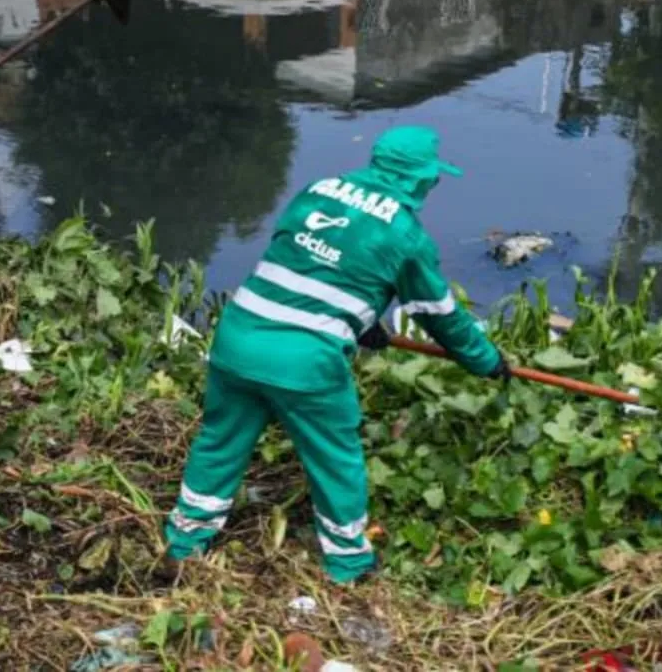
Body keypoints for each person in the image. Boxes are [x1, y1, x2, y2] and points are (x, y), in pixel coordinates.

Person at [162, 125, 510, 584]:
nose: (433, 184)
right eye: (432, 176)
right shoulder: (406, 234)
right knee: (334, 455)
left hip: (238, 334)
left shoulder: (317, 191)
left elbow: (310, 263)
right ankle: (348, 562)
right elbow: (437, 313)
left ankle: (185, 540)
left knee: (222, 438)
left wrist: (362, 324)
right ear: (417, 177)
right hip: (304, 361)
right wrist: (485, 361)